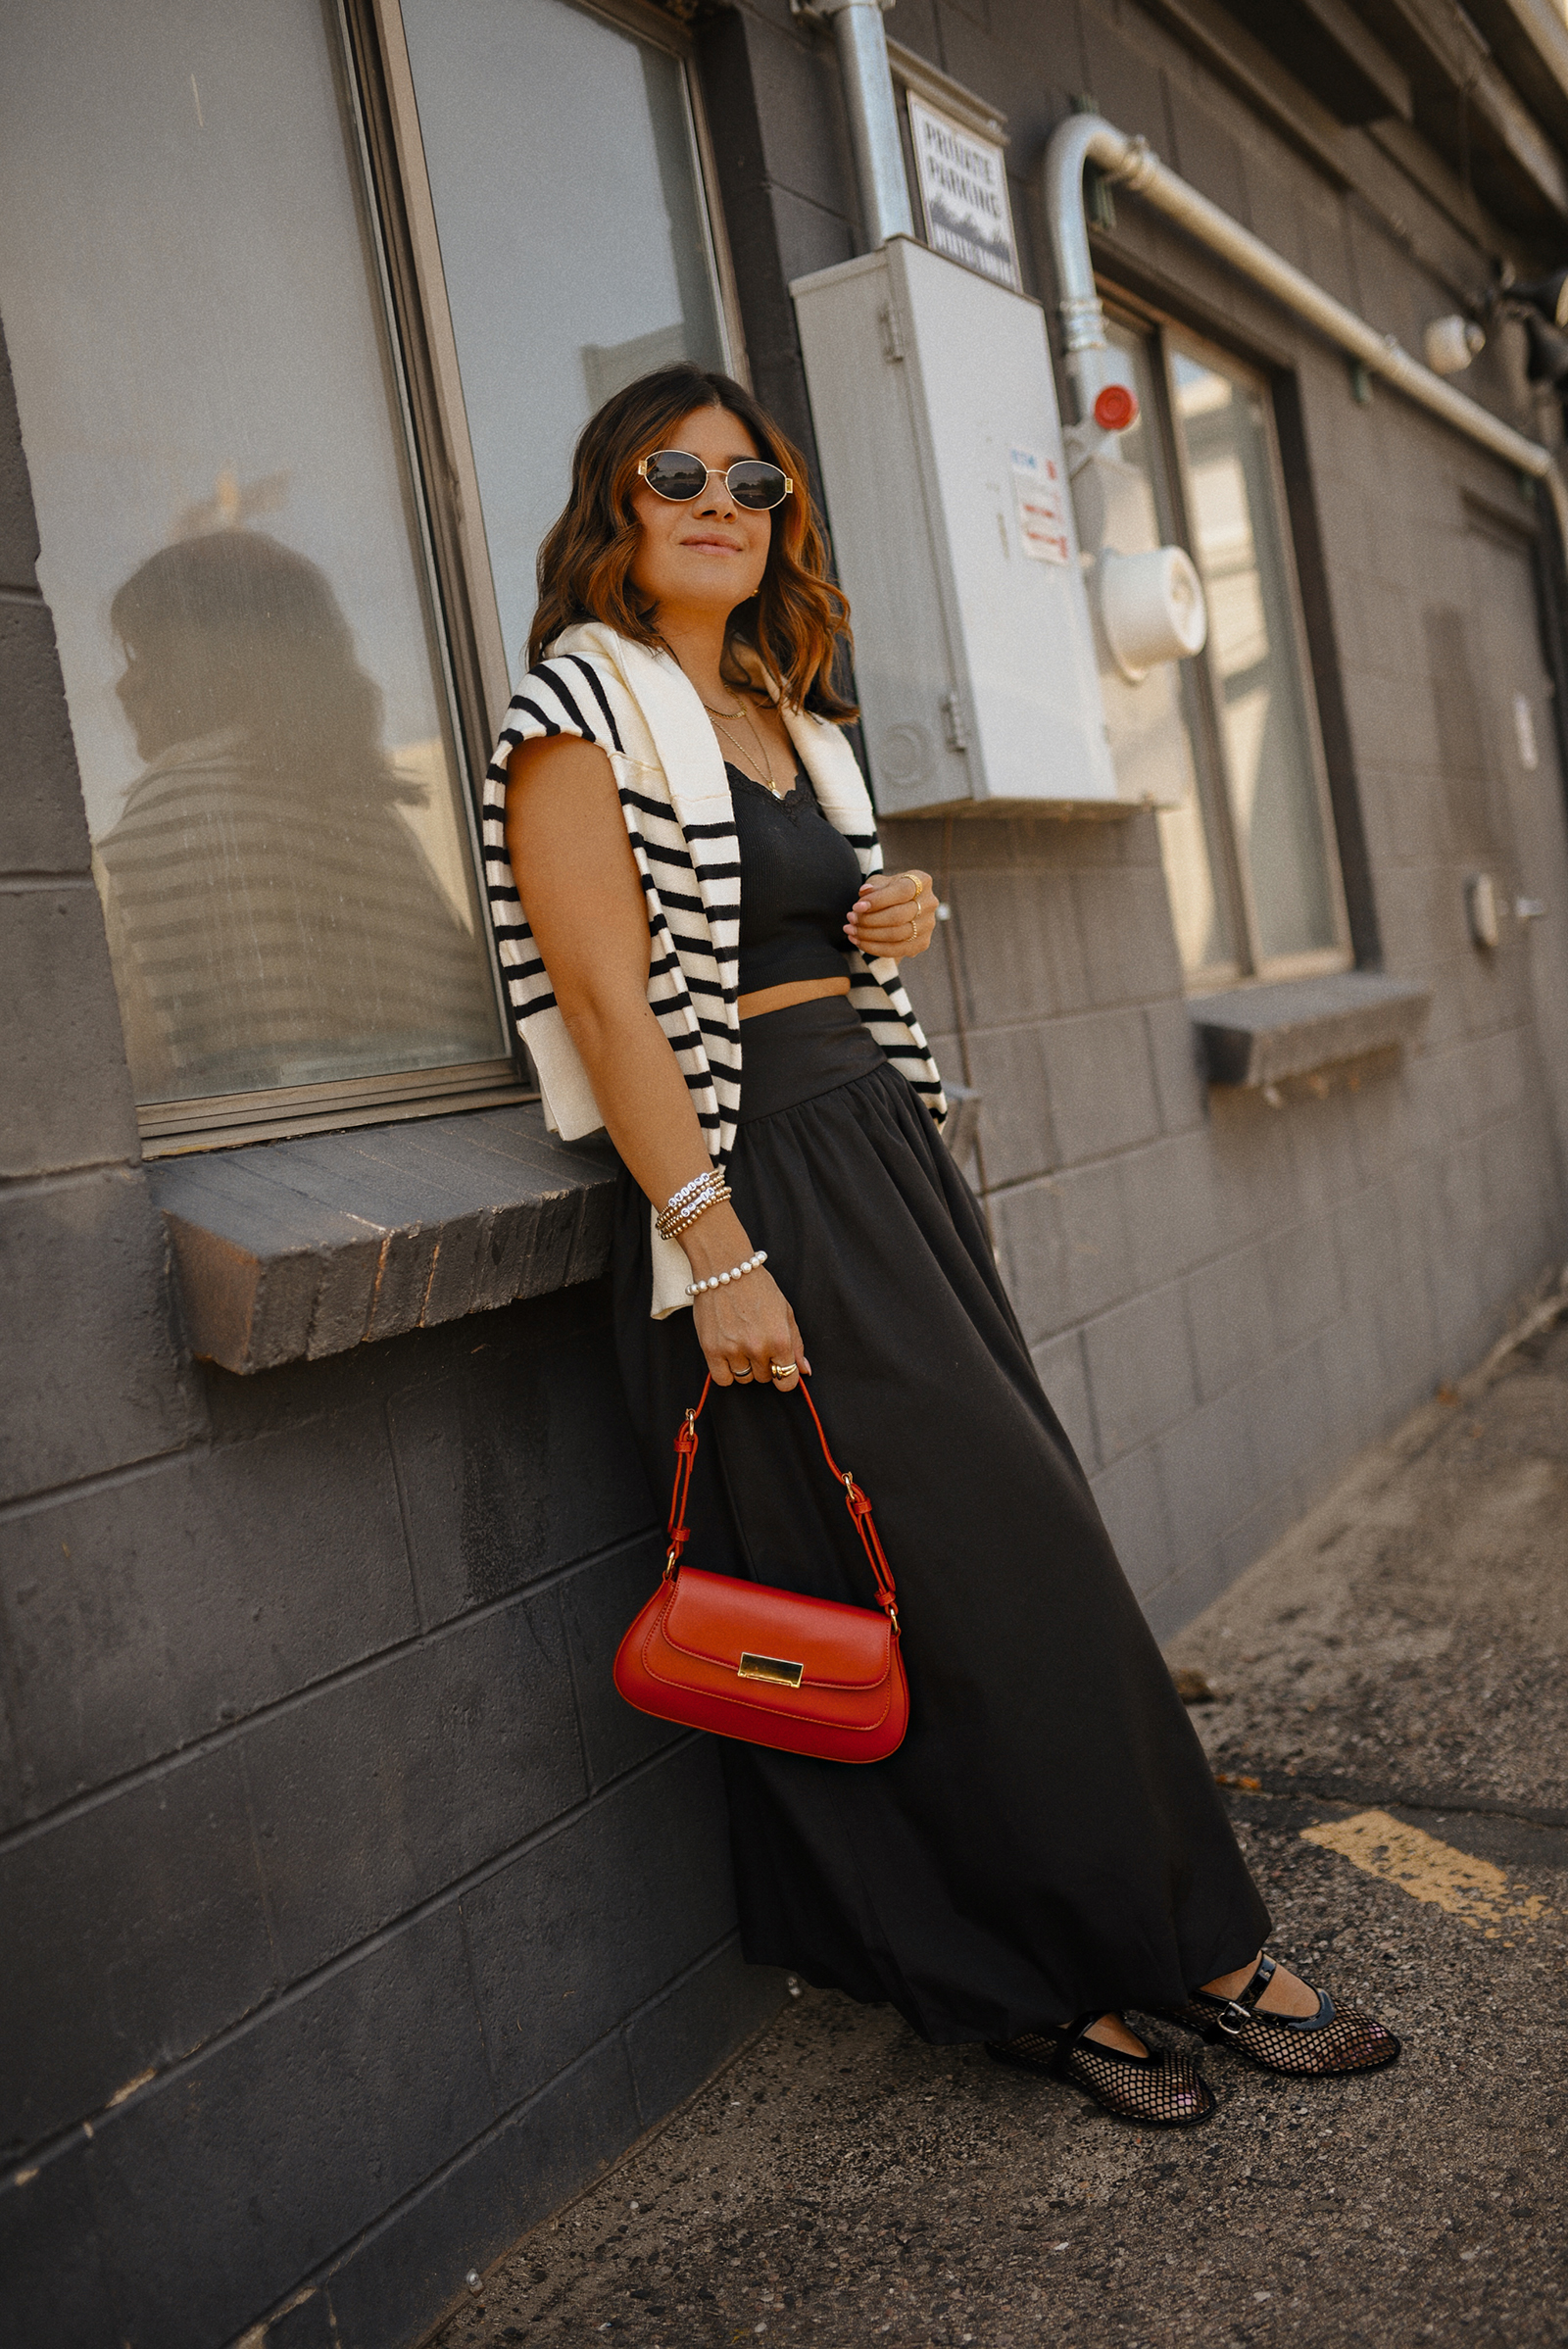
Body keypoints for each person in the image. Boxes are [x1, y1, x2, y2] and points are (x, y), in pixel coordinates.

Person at [490, 365, 1398, 2127]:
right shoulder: (573, 712)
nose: (716, 504)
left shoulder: (778, 708)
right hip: (754, 1182)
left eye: (753, 486)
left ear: (784, 524)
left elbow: (804, 930)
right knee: (1003, 1564)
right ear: (615, 501)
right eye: (674, 473)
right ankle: (1185, 1952)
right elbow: (608, 998)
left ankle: (1057, 1970)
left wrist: (889, 902)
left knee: (960, 1573)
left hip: (877, 1150)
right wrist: (719, 1245)